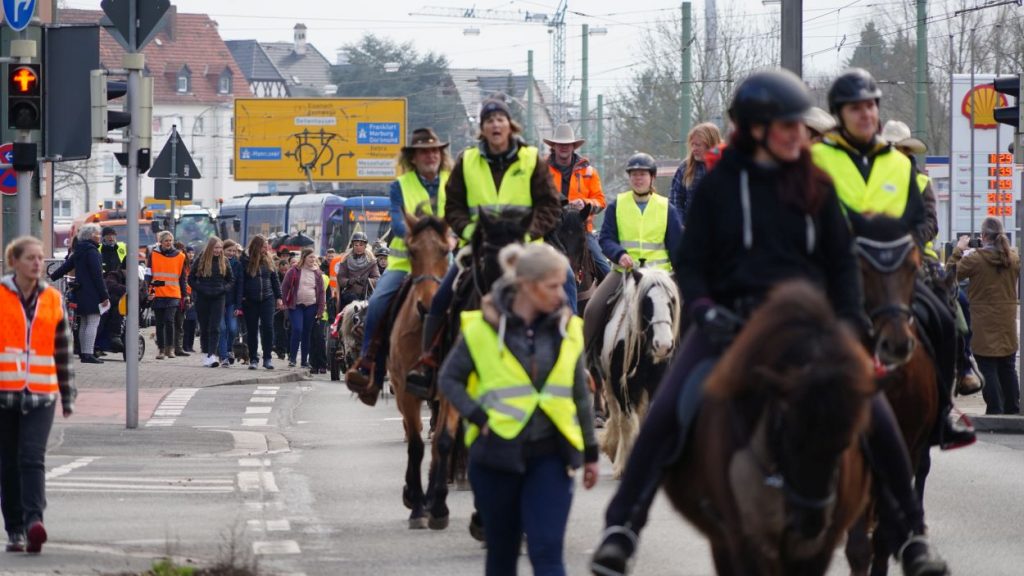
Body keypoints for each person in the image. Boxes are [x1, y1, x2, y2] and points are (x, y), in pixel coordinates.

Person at [591, 69, 948, 576]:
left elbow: (841, 265)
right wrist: (705, 309)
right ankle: (623, 527)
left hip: (808, 325)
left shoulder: (817, 186)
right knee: (671, 403)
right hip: (731, 321)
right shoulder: (719, 187)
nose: (797, 134)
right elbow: (692, 262)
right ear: (755, 129)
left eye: (798, 125)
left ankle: (911, 535)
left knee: (874, 405)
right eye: (785, 125)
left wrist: (849, 322)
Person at [811, 67, 974, 450]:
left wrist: (905, 247)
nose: (866, 113)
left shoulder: (899, 166)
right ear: (840, 114)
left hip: (893, 270)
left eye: (871, 106)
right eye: (856, 108)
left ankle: (942, 413)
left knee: (942, 318)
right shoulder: (817, 158)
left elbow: (919, 219)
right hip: (837, 271)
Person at [439, 242, 599, 576]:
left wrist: (591, 452)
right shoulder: (482, 328)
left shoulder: (568, 328)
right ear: (526, 285)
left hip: (552, 455)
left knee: (547, 553)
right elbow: (449, 379)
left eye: (562, 285)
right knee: (502, 556)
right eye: (552, 286)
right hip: (495, 456)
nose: (561, 295)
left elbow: (580, 393)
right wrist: (478, 416)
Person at [398, 97, 568, 400]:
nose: (495, 125)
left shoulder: (531, 159)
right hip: (479, 249)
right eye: (489, 121)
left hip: (526, 251)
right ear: (483, 128)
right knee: (441, 299)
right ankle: (428, 364)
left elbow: (550, 205)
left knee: (565, 289)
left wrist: (527, 233)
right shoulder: (467, 161)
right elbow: (453, 206)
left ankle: (571, 363)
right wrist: (469, 232)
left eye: (500, 119)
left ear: (509, 125)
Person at [881, 119, 984, 394]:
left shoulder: (921, 181)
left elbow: (931, 223)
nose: (896, 153)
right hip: (877, 253)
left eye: (901, 148)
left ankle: (963, 367)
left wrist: (909, 241)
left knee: (957, 302)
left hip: (918, 256)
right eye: (890, 147)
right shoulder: (873, 178)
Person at [346, 127, 452, 393]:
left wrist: (451, 237)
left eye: (434, 151)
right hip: (405, 261)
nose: (431, 156)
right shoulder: (400, 185)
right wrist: (421, 238)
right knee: (377, 303)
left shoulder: (452, 182)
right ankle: (368, 363)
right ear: (413, 158)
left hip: (444, 259)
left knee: (478, 297)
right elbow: (397, 221)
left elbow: (459, 215)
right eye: (424, 152)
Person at [1, 236, 76, 554]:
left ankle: (34, 523)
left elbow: (63, 348)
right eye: (30, 257)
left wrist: (67, 393)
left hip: (41, 393)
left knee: (32, 458)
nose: (37, 263)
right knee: (8, 464)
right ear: (13, 262)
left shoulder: (52, 298)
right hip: (4, 393)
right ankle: (15, 529)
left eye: (40, 257)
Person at [582, 152, 683, 352]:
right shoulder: (617, 205)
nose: (638, 178)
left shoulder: (667, 208)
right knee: (592, 310)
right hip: (624, 273)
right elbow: (606, 238)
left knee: (689, 308)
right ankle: (588, 360)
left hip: (660, 277)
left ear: (652, 177)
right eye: (634, 174)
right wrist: (619, 254)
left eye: (643, 174)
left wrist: (681, 275)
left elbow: (677, 247)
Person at [951, 218, 1021, 414]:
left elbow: (948, 275)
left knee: (987, 367)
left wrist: (959, 251)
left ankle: (994, 411)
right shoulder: (1013, 258)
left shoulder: (975, 259)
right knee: (1008, 366)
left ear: (983, 236)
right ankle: (1013, 410)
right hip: (1007, 323)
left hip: (983, 324)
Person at [544, 123, 609, 278]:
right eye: (560, 144)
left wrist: (585, 203)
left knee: (604, 268)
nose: (564, 147)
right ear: (554, 146)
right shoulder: (541, 170)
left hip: (581, 231)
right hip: (549, 231)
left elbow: (600, 202)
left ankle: (613, 292)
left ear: (573, 146)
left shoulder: (589, 172)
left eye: (567, 144)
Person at [49, 224, 110, 364]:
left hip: (80, 291)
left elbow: (66, 266)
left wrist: (52, 276)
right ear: (91, 236)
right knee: (93, 322)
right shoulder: (92, 252)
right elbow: (97, 276)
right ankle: (88, 353)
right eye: (97, 234)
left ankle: (84, 353)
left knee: (84, 322)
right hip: (93, 292)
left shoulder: (79, 250)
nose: (99, 237)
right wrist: (104, 295)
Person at [189, 236, 234, 368]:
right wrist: (200, 289)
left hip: (218, 298)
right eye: (215, 248)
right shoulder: (201, 259)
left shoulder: (224, 261)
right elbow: (191, 278)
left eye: (220, 248)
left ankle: (212, 355)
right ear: (210, 247)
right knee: (204, 328)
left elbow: (231, 280)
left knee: (215, 327)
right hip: (203, 298)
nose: (218, 250)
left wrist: (224, 289)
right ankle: (205, 354)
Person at [240, 235, 283, 370]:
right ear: (256, 247)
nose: (266, 249)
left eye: (267, 247)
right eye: (264, 247)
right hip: (250, 300)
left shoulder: (268, 259)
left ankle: (267, 358)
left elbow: (275, 279)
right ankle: (253, 358)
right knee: (252, 330)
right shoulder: (245, 260)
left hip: (267, 297)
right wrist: (242, 297)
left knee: (268, 328)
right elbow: (241, 281)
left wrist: (279, 297)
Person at [668, 122, 722, 226]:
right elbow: (675, 200)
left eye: (698, 145)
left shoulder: (726, 167)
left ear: (710, 145)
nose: (694, 149)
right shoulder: (685, 168)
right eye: (692, 144)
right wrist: (681, 225)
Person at [282, 248, 325, 369]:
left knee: (307, 332)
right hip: (296, 306)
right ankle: (292, 358)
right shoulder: (294, 270)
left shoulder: (317, 273)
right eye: (310, 257)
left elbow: (321, 292)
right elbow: (284, 287)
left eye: (314, 257)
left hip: (311, 306)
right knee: (297, 329)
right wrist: (283, 302)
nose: (313, 259)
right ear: (304, 257)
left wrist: (320, 309)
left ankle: (304, 361)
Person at [147, 231, 188, 360]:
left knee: (169, 320)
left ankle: (170, 349)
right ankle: (161, 349)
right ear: (161, 242)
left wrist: (185, 295)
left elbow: (182, 278)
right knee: (159, 323)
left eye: (170, 240)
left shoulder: (180, 256)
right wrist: (150, 292)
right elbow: (148, 275)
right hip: (158, 293)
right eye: (166, 240)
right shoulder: (153, 254)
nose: (168, 243)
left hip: (173, 293)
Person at [335, 231, 380, 310]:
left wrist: (367, 280)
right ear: (352, 245)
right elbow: (341, 278)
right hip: (349, 294)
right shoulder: (345, 260)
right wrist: (349, 281)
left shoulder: (371, 261)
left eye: (361, 245)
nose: (358, 247)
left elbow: (377, 279)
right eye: (356, 245)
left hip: (366, 295)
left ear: (365, 246)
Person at [217, 240, 244, 366]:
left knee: (233, 329)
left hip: (232, 302)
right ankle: (223, 356)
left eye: (234, 251)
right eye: (229, 250)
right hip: (219, 301)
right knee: (222, 329)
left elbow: (240, 286)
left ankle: (228, 349)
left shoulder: (237, 264)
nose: (231, 253)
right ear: (223, 250)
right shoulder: (218, 263)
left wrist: (239, 306)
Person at [178, 244, 197, 355]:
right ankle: (185, 345)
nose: (191, 254)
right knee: (186, 323)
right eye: (189, 252)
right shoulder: (184, 265)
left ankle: (190, 345)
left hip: (193, 295)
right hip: (186, 295)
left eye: (192, 253)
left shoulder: (194, 265)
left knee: (193, 323)